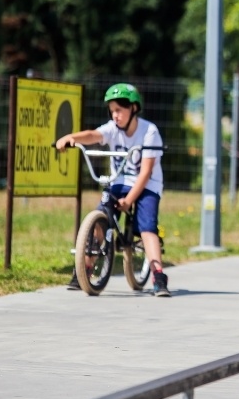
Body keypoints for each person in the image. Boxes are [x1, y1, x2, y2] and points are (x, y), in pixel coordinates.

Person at [55, 83, 170, 297]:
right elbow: (92, 135)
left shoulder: (149, 132)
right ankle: (84, 270)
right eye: (112, 110)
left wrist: (129, 200)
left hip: (147, 185)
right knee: (101, 220)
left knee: (146, 227)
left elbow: (145, 173)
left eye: (119, 110)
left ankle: (159, 276)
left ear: (133, 109)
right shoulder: (112, 129)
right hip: (120, 181)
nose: (115, 115)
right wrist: (71, 138)